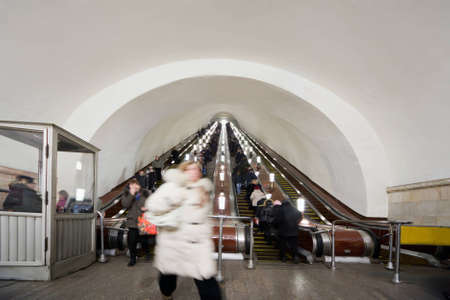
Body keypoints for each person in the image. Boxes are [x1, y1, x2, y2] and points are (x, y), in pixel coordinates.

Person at [145, 162, 221, 300]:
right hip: (174, 240)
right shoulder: (170, 187)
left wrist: (205, 235)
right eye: (190, 169)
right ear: (182, 171)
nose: (194, 172)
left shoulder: (202, 190)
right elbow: (152, 204)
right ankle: (166, 295)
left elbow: (203, 218)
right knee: (168, 278)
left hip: (197, 243)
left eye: (197, 169)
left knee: (207, 280)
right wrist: (174, 199)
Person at [120, 178, 152, 266]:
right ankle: (132, 258)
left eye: (135, 184)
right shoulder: (127, 194)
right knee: (132, 241)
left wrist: (148, 208)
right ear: (129, 186)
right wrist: (131, 194)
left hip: (143, 220)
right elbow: (125, 205)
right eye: (131, 184)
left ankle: (147, 254)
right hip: (132, 221)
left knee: (144, 240)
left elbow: (153, 202)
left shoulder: (145, 192)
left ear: (139, 184)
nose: (134, 186)